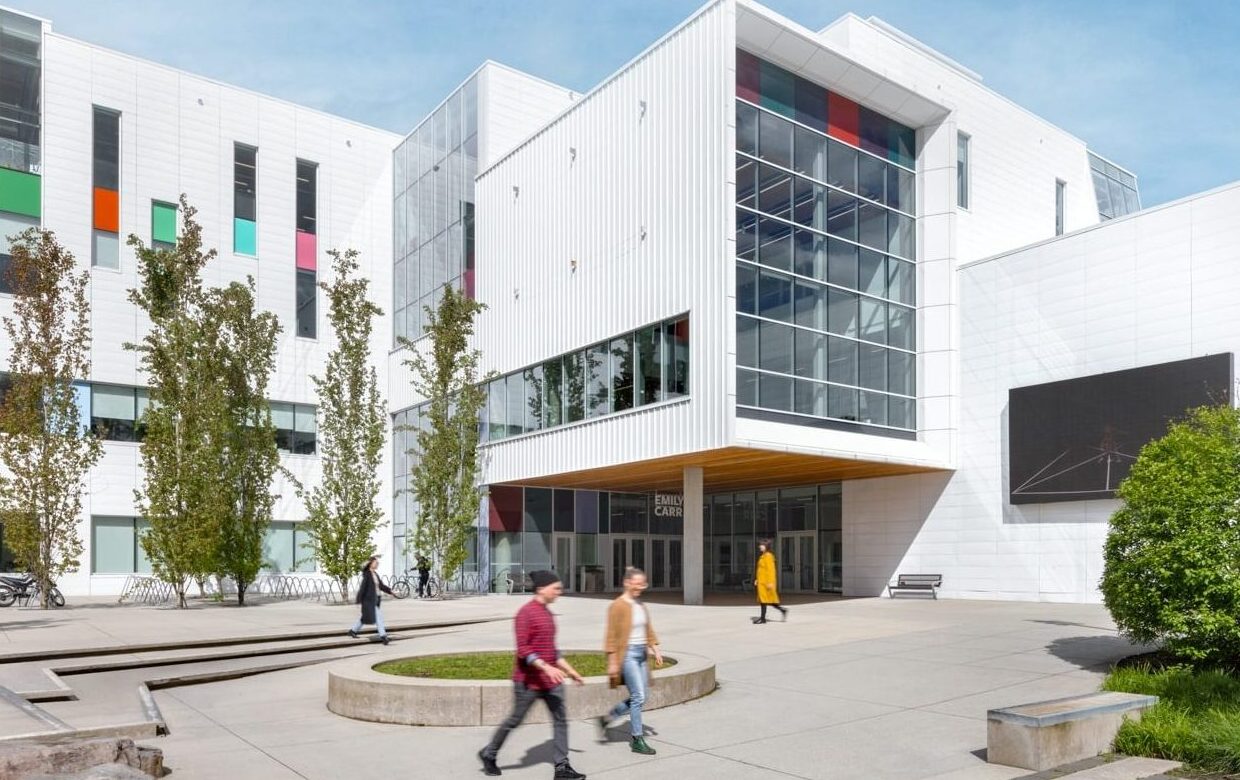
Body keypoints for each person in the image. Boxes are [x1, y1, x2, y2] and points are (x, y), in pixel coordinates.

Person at [478, 570, 587, 779]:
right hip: (528, 682)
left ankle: (562, 768)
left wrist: (570, 670)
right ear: (541, 588)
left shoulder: (548, 614)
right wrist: (547, 667)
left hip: (551, 681)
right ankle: (489, 753)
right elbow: (523, 649)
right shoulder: (525, 613)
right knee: (515, 720)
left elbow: (551, 649)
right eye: (555, 588)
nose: (559, 592)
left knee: (561, 720)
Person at [598, 567, 663, 755]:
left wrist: (655, 649)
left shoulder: (640, 604)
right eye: (637, 583)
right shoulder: (617, 606)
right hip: (627, 655)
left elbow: (648, 629)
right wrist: (612, 662)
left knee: (643, 696)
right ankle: (637, 739)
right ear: (627, 583)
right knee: (638, 696)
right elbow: (610, 636)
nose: (640, 587)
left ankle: (608, 717)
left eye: (643, 584)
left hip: (642, 653)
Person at [348, 556, 393, 644]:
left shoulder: (375, 574)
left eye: (378, 563)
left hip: (376, 599)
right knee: (379, 617)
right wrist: (358, 601)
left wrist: (390, 591)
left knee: (365, 617)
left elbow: (381, 586)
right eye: (376, 563)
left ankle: (353, 631)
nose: (377, 564)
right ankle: (383, 636)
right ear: (370, 564)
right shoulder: (367, 574)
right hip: (369, 600)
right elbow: (362, 588)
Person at [753, 539, 788, 624]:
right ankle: (782, 610)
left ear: (766, 546)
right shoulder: (762, 556)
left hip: (766, 583)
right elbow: (760, 570)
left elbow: (771, 571)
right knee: (767, 600)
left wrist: (770, 582)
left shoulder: (768, 556)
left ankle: (763, 619)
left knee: (765, 600)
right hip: (762, 582)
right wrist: (757, 579)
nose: (760, 546)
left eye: (762, 545)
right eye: (760, 545)